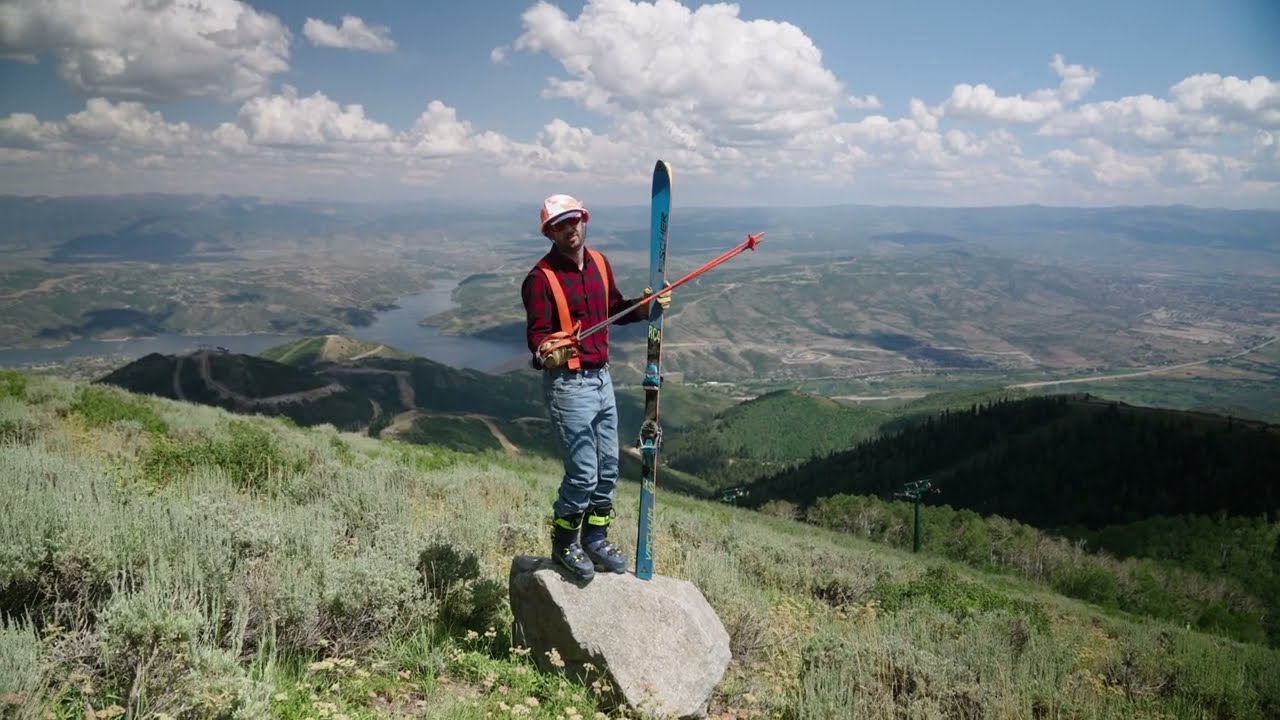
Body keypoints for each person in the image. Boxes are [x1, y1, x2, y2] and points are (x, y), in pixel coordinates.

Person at [521, 194, 671, 581]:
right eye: (560, 225)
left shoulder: (600, 264)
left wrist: (646, 306)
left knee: (607, 469)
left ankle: (595, 537)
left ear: (584, 220)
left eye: (574, 220)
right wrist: (549, 349)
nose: (570, 229)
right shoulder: (540, 279)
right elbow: (537, 339)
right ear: (549, 233)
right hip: (568, 386)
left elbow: (615, 309)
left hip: (601, 379)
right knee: (583, 473)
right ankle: (564, 544)